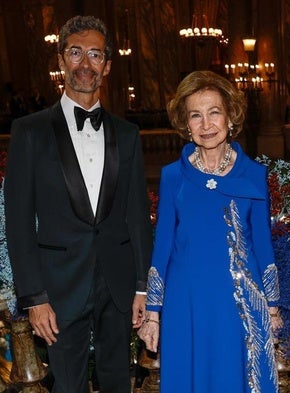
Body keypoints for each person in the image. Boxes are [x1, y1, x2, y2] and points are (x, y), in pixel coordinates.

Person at [4, 15, 153, 393]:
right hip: (57, 287)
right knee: (67, 386)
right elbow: (19, 221)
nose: (85, 64)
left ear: (107, 65)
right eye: (75, 53)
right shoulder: (29, 131)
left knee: (119, 381)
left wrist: (141, 286)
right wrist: (34, 298)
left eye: (95, 54)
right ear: (60, 60)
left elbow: (137, 215)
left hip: (119, 286)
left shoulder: (128, 134)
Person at [137, 70, 282, 393]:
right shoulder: (173, 175)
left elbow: (262, 242)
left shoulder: (254, 174)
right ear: (185, 125)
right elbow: (162, 245)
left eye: (214, 113)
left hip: (238, 303)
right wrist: (153, 315)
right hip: (185, 302)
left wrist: (272, 308)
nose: (206, 125)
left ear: (231, 116)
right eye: (195, 116)